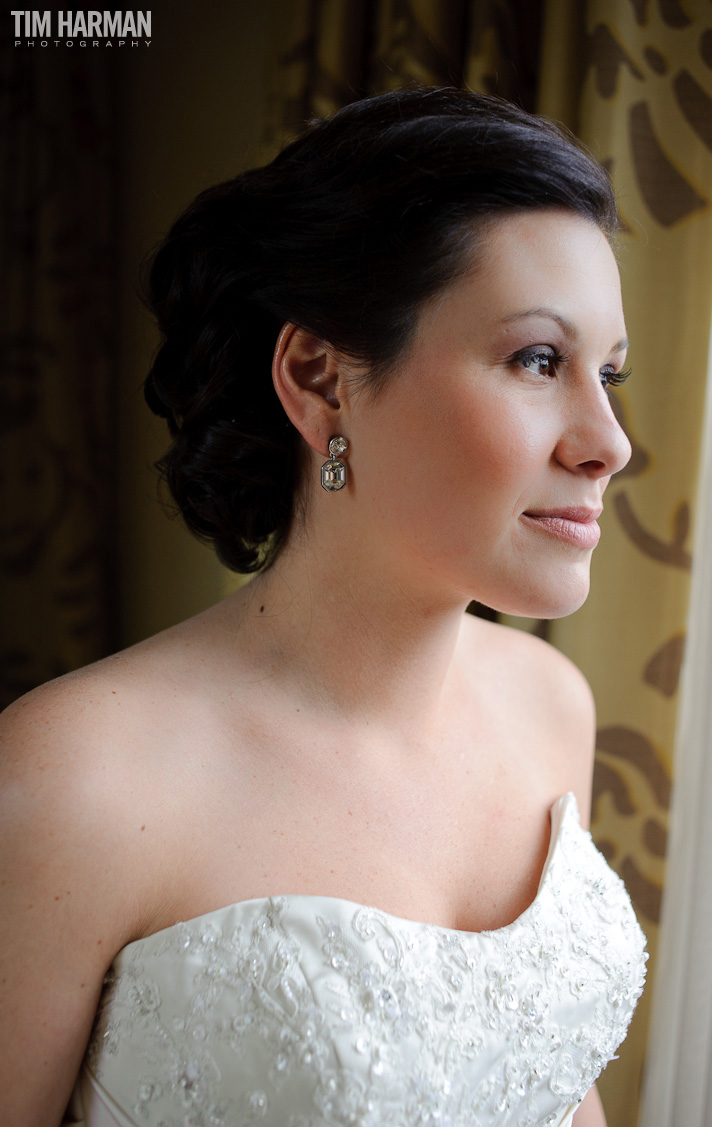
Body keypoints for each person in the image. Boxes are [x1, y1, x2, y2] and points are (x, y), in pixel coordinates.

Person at [0, 86, 646, 1127]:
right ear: (319, 376)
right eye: (539, 359)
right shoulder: (70, 781)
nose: (608, 440)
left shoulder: (551, 706)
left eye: (608, 374)